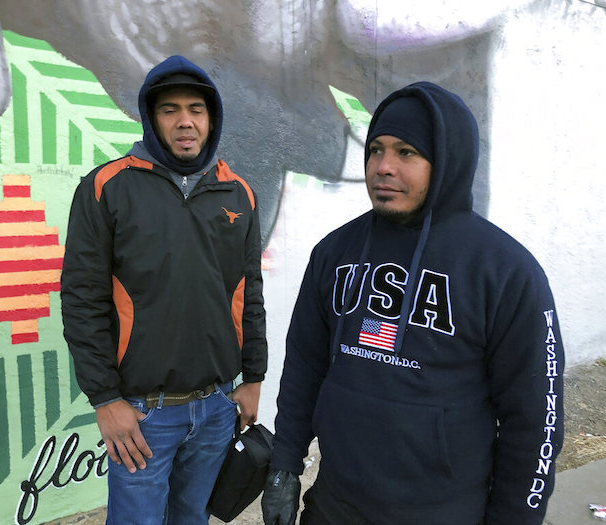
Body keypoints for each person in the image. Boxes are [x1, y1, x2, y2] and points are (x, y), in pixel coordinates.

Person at [262, 82, 564, 524]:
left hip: (442, 511)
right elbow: (304, 368)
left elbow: (536, 420)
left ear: (445, 161)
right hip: (335, 505)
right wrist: (284, 466)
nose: (383, 167)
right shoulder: (334, 253)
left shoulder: (504, 271)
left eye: (406, 152)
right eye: (376, 150)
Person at [61, 55, 267, 524]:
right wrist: (106, 401)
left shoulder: (239, 194)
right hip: (141, 415)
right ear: (152, 119)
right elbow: (82, 301)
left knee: (192, 519)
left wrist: (253, 379)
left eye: (196, 108)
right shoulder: (106, 188)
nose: (185, 121)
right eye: (170, 109)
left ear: (211, 118)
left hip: (218, 407)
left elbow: (248, 295)